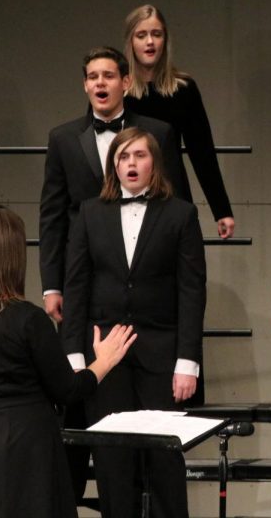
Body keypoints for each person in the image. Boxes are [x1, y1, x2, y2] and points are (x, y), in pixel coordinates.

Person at [38, 46, 187, 498]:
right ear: (85, 85)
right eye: (91, 76)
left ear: (126, 81)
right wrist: (52, 284)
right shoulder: (64, 137)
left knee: (161, 459)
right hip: (92, 296)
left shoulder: (158, 132)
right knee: (107, 448)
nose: (100, 83)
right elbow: (51, 216)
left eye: (108, 75)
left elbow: (177, 201)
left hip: (154, 312)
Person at [0, 206, 136, 518]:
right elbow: (67, 389)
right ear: (12, 257)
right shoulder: (27, 319)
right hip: (24, 449)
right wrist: (103, 361)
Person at [62, 127, 206, 518]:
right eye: (123, 157)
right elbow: (75, 286)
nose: (131, 164)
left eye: (139, 155)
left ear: (153, 163)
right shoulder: (90, 213)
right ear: (114, 165)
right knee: (111, 465)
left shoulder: (180, 214)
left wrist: (187, 361)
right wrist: (75, 354)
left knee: (164, 464)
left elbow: (192, 291)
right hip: (104, 356)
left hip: (161, 355)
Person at [123, 4, 236, 238]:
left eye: (156, 34)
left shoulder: (183, 89)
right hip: (125, 197)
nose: (150, 42)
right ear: (131, 41)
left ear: (165, 39)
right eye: (141, 35)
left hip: (171, 192)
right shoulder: (118, 91)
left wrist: (221, 209)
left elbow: (202, 152)